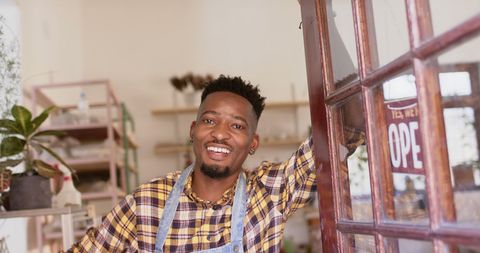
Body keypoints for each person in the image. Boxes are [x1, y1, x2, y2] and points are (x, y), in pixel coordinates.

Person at [67, 75, 317, 252]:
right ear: (193, 129)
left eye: (237, 126)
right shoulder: (144, 204)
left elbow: (336, 133)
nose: (220, 133)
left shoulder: (271, 193)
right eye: (209, 121)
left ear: (253, 143)